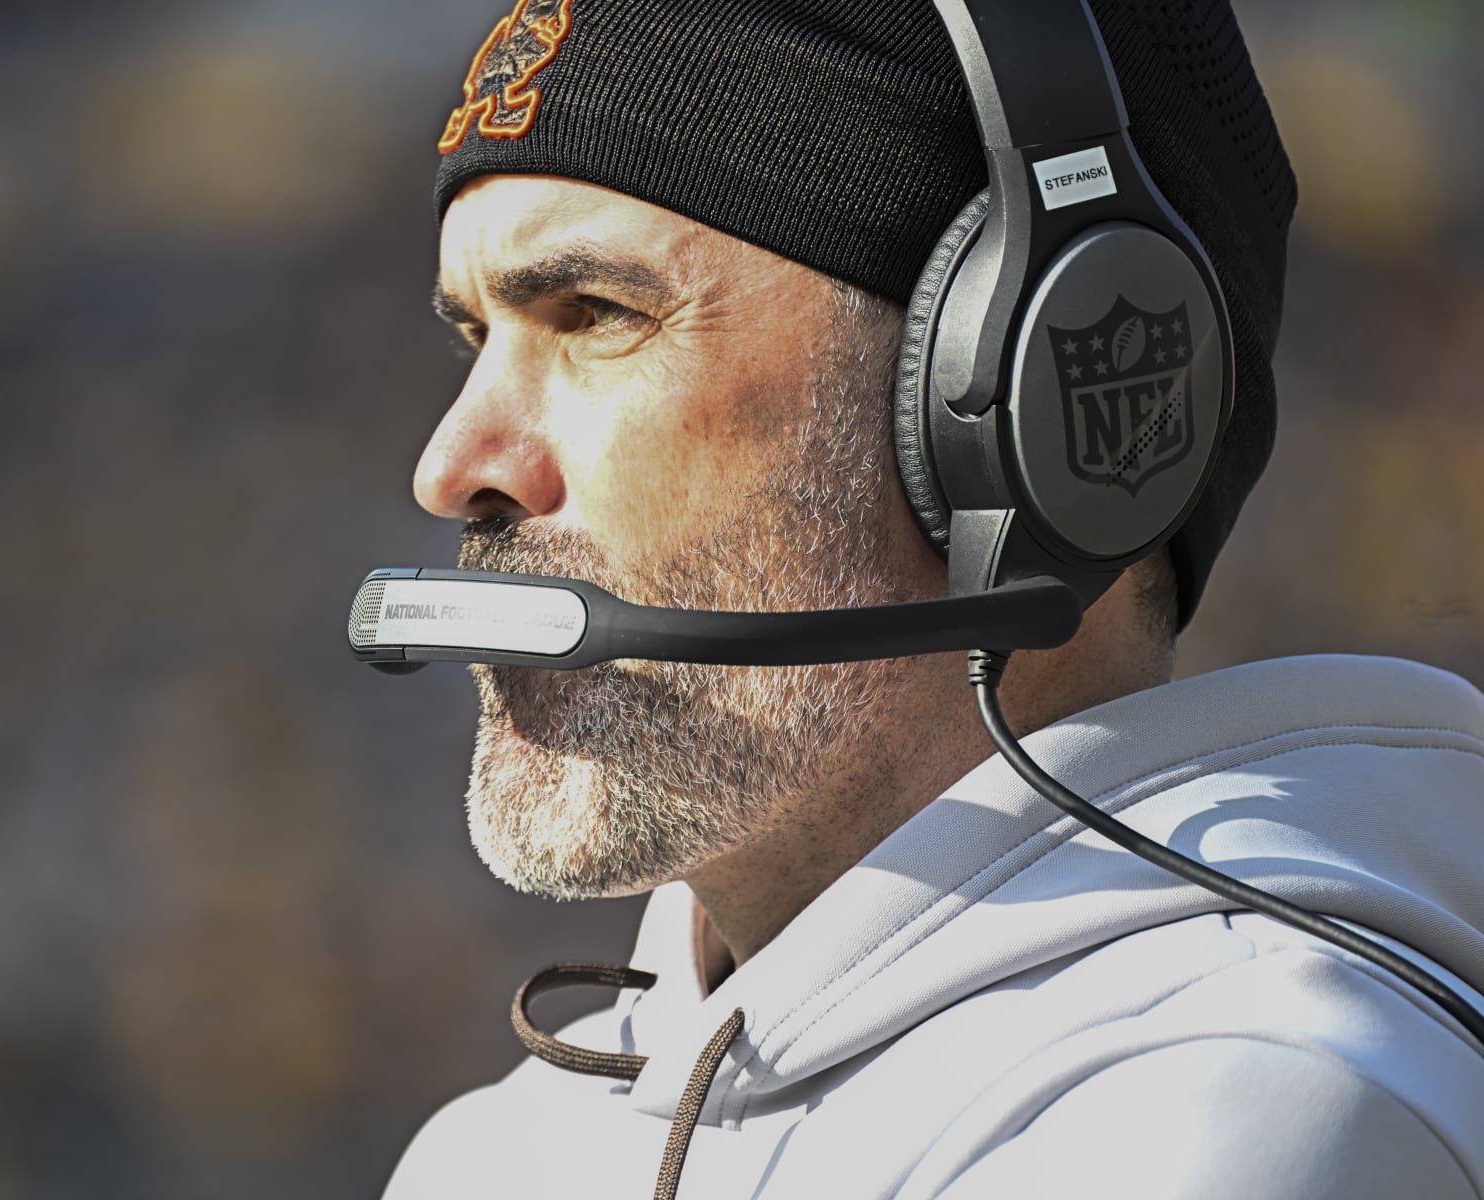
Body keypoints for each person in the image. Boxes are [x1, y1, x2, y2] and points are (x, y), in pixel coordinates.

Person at [380, 1, 1484, 1196]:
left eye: (597, 316)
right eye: (474, 337)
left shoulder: (1231, 1113)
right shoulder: (493, 1154)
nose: (451, 467)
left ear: (1024, 391)